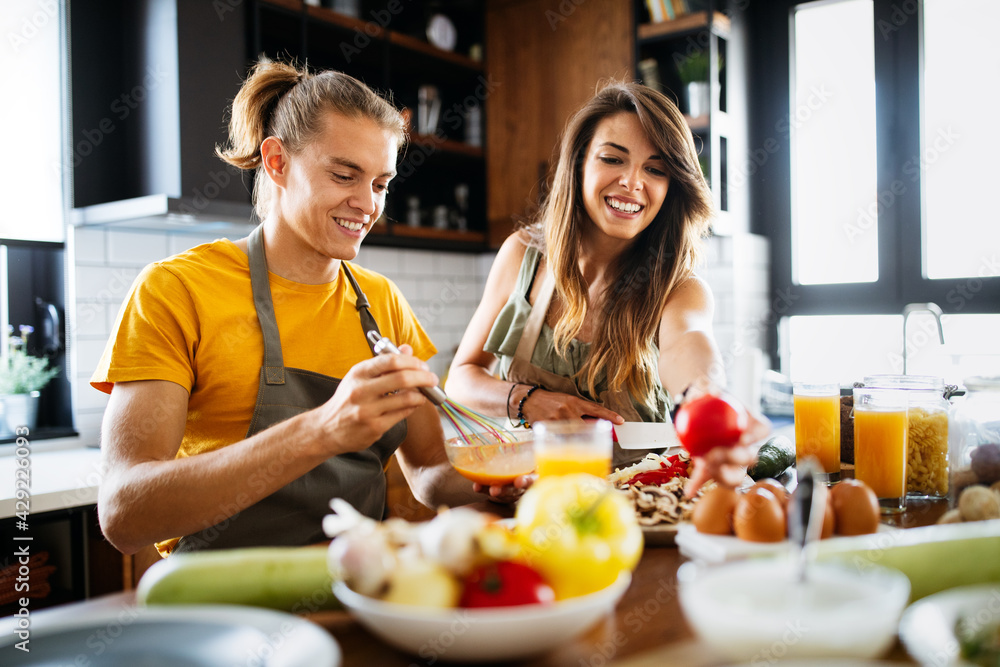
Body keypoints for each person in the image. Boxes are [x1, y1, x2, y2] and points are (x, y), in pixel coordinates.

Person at [93, 60, 477, 557]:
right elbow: (124, 514)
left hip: (361, 592)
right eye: (345, 175)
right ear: (277, 163)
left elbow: (429, 471)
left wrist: (529, 473)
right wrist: (321, 430)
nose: (367, 204)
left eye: (381, 184)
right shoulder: (176, 290)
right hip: (221, 607)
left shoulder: (382, 302)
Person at [445, 81, 769, 499]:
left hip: (639, 507)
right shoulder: (523, 255)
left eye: (655, 169)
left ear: (673, 186)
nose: (632, 182)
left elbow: (689, 346)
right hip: (530, 494)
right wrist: (529, 400)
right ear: (579, 164)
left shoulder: (679, 288)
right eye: (613, 159)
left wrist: (706, 401)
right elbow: (461, 378)